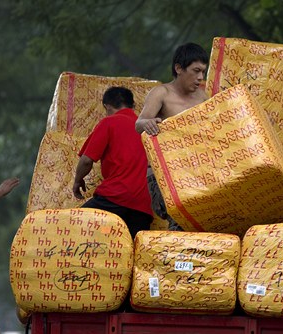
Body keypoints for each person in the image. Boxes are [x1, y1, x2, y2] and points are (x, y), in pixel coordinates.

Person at [135, 42, 209, 231]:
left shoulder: (203, 98)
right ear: (179, 68)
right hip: (164, 175)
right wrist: (149, 123)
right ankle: (176, 260)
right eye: (196, 71)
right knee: (180, 221)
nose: (200, 78)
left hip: (195, 171)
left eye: (203, 72)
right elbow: (139, 123)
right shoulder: (162, 93)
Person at [73, 86, 153, 238]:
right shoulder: (146, 128)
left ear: (107, 106)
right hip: (143, 206)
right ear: (132, 106)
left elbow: (86, 160)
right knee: (131, 251)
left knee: (76, 227)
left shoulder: (109, 122)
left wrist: (77, 181)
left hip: (115, 198)